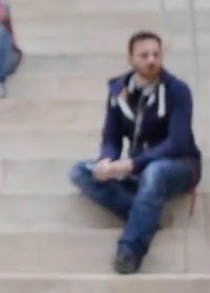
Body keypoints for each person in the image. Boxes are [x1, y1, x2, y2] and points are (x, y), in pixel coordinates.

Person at [69, 31, 201, 275]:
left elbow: (177, 142)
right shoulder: (119, 91)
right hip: (138, 166)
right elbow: (111, 136)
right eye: (144, 55)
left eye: (156, 54)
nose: (151, 60)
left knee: (154, 172)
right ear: (131, 59)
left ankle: (130, 250)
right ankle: (146, 215)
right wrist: (106, 160)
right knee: (80, 172)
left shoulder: (177, 90)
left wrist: (131, 164)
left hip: (179, 165)